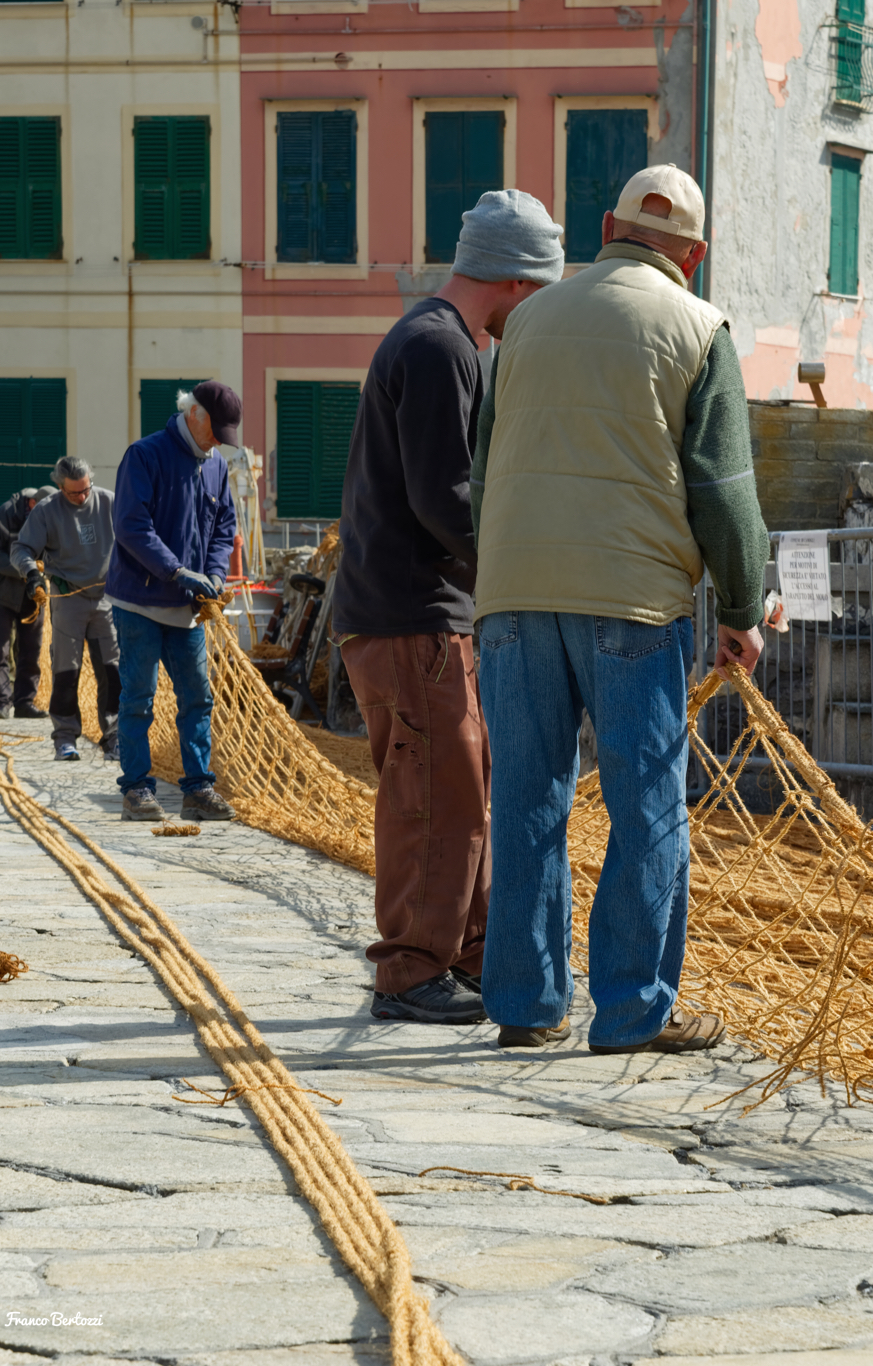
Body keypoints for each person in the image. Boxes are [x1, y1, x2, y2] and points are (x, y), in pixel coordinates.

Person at [471, 165, 769, 1051]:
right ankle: (635, 1010)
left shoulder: (523, 320)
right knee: (648, 810)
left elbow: (483, 475)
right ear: (695, 253)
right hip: (633, 604)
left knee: (526, 800)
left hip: (514, 600)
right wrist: (743, 605)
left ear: (605, 226)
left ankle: (526, 1007)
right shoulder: (697, 326)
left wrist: (498, 579)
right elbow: (721, 488)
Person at [333, 190, 566, 1025]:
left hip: (420, 614)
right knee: (434, 796)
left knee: (460, 789)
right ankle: (409, 969)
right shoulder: (438, 348)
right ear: (513, 280)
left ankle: (463, 952)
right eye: (540, 289)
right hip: (412, 616)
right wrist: (518, 570)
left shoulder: (437, 341)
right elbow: (447, 496)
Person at [106, 380, 239, 824]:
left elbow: (224, 528)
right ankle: (137, 790)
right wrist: (176, 571)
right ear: (194, 413)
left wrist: (215, 574)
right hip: (141, 603)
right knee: (139, 699)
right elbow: (131, 526)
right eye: (216, 430)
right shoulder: (144, 455)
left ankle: (198, 789)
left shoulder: (217, 465)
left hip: (188, 611)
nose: (219, 441)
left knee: (197, 699)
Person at [11, 460, 120, 762]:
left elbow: (136, 535)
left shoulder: (110, 502)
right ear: (61, 488)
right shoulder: (46, 510)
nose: (82, 497)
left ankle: (113, 737)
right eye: (74, 494)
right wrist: (32, 573)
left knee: (112, 670)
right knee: (65, 671)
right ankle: (65, 737)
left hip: (105, 597)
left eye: (86, 489)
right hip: (67, 596)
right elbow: (20, 549)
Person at [0, 484, 56, 720]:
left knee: (31, 649)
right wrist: (25, 570)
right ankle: (1, 704)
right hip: (1, 593)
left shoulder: (49, 519)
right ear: (32, 504)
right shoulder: (4, 514)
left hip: (31, 594)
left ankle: (24, 703)